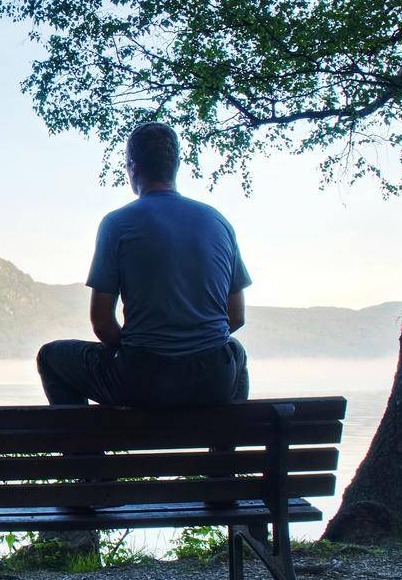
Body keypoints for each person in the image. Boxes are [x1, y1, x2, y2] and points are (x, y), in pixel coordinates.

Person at [37, 122, 251, 408]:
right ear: (175, 167)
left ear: (133, 166)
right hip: (213, 381)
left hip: (143, 381)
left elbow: (102, 323)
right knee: (234, 352)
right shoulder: (218, 222)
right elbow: (235, 317)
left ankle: (85, 452)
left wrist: (139, 351)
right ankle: (224, 451)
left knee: (50, 357)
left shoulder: (117, 224)